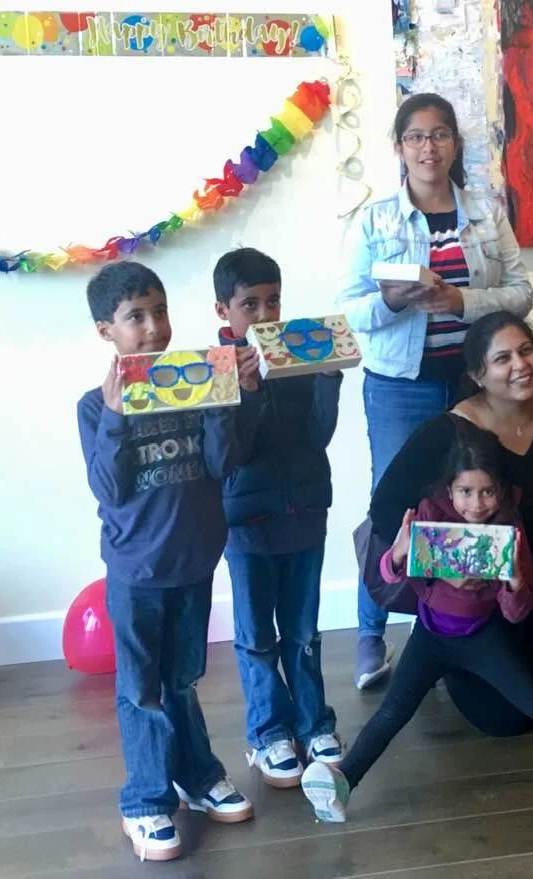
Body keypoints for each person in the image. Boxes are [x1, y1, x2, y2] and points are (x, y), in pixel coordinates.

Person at [301, 423, 533, 822]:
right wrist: (400, 553)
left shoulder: (510, 529)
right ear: (450, 488)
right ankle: (343, 782)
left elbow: (516, 610)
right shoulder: (428, 513)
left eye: (487, 492)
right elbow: (390, 576)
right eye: (466, 491)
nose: (476, 504)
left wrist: (514, 584)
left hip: (482, 637)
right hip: (431, 635)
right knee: (392, 713)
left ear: (501, 490)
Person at [338, 92, 533, 690]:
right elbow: (350, 311)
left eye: (441, 134)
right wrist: (391, 301)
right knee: (392, 502)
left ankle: (466, 623)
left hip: (473, 384)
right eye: (417, 136)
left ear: (455, 143)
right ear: (399, 147)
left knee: (479, 499)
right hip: (400, 385)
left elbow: (522, 292)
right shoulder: (374, 220)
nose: (429, 147)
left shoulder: (486, 213)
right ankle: (371, 632)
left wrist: (461, 301)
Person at [77, 262, 257, 863]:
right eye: (136, 317)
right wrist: (116, 416)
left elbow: (223, 463)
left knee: (182, 679)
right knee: (141, 691)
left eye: (160, 312)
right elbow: (109, 489)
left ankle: (196, 775)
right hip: (137, 572)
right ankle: (145, 800)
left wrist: (222, 399)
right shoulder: (94, 407)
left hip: (194, 561)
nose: (154, 328)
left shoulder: (194, 387)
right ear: (107, 331)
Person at [367, 311, 533, 736]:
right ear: (477, 374)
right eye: (503, 358)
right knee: (501, 719)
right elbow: (386, 508)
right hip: (483, 611)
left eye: (526, 351)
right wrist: (444, 564)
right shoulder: (449, 430)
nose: (520, 365)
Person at [213, 247, 344, 786]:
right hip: (247, 524)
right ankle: (268, 732)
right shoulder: (213, 370)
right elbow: (229, 456)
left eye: (273, 302)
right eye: (250, 304)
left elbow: (318, 436)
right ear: (224, 311)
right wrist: (245, 394)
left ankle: (315, 724)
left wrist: (328, 377)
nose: (265, 315)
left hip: (306, 513)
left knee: (303, 630)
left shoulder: (296, 354)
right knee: (256, 637)